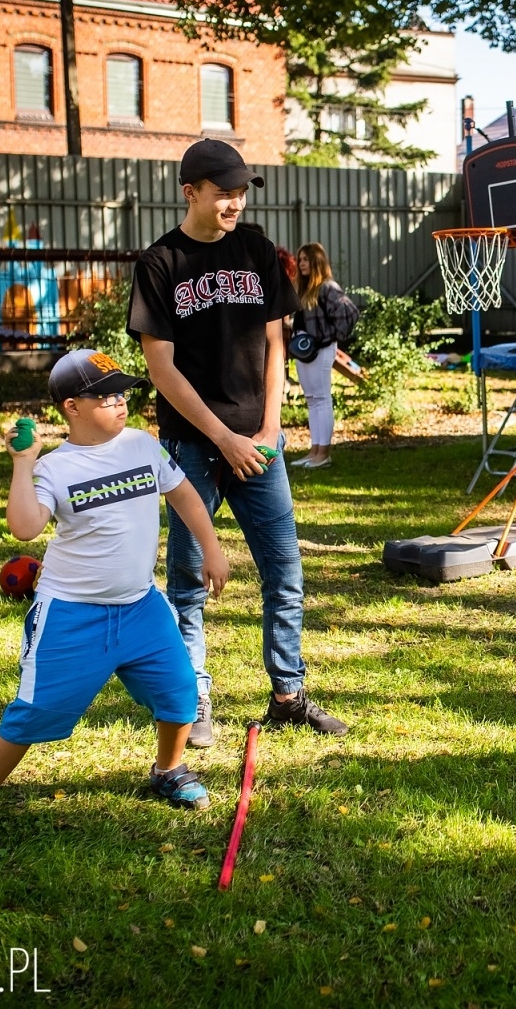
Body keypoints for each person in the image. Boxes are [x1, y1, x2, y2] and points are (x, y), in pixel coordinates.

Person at [0, 350, 230, 846]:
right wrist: (23, 464)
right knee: (35, 712)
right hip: (71, 616)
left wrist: (213, 548)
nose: (119, 403)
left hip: (141, 606)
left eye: (122, 394)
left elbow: (183, 493)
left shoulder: (142, 446)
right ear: (72, 407)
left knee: (181, 692)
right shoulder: (55, 468)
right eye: (105, 397)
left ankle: (168, 769)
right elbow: (25, 527)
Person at [128, 138, 349, 747]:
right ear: (190, 192)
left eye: (241, 193)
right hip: (192, 445)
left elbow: (277, 342)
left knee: (285, 571)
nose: (235, 203)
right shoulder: (160, 263)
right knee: (189, 581)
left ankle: (288, 696)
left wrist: (271, 428)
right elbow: (161, 369)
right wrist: (223, 437)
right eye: (223, 193)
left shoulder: (255, 250)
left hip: (260, 443)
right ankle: (192, 700)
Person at [289, 242, 359, 469]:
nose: (301, 264)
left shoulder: (327, 288)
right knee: (312, 400)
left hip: (321, 350)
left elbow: (350, 313)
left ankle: (324, 453)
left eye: (306, 259)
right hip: (304, 351)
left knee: (322, 399)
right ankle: (314, 450)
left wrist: (328, 337)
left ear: (317, 261)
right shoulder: (304, 289)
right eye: (300, 259)